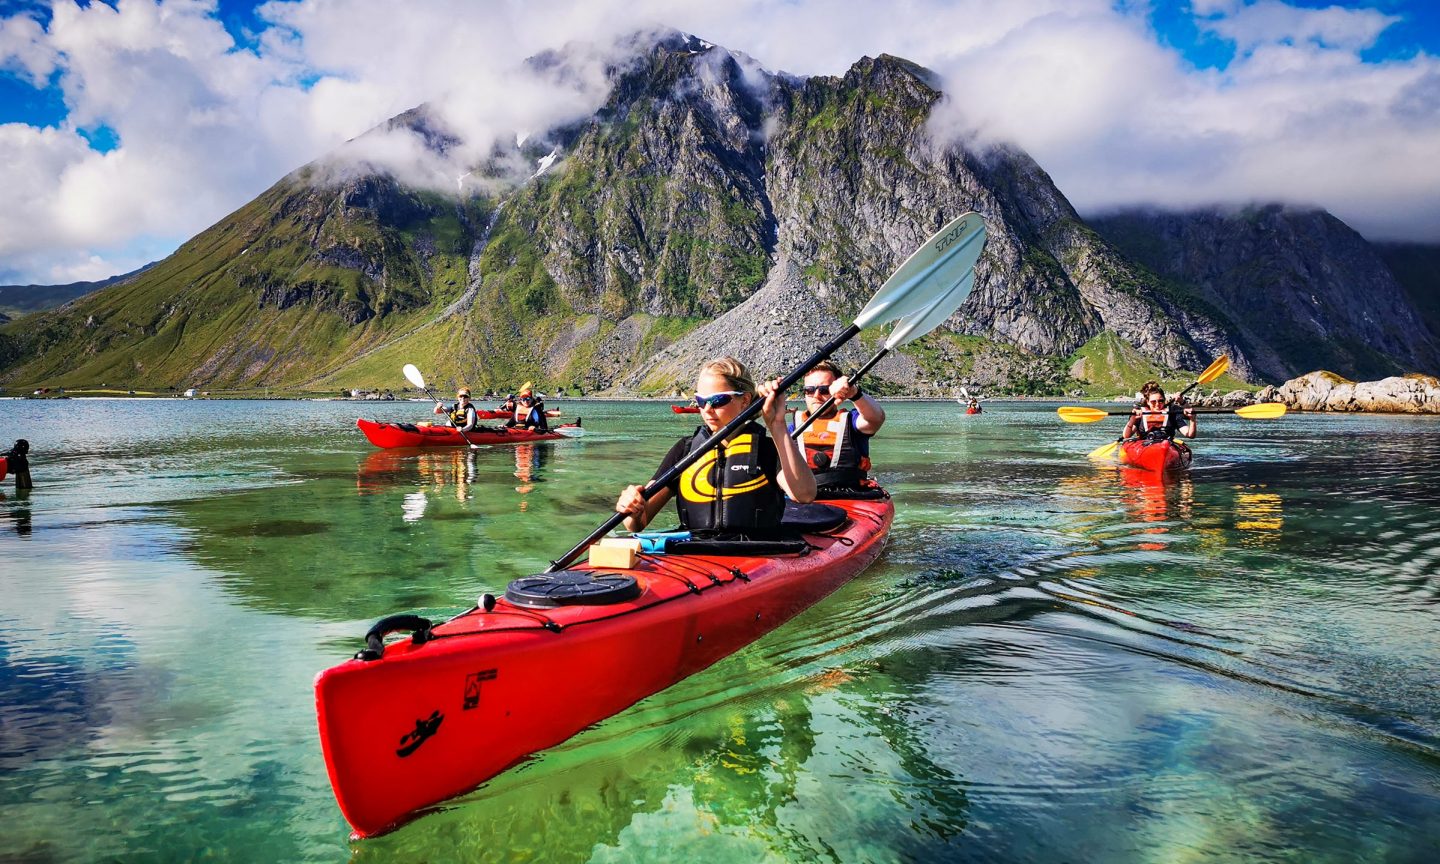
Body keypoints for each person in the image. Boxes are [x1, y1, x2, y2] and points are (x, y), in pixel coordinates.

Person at [615, 357, 816, 538]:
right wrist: (631, 507)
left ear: (745, 400)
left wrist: (777, 424)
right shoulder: (685, 450)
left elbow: (804, 495)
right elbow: (637, 524)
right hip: (696, 553)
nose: (707, 410)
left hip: (756, 554)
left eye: (717, 400)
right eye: (701, 401)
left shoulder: (766, 449)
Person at [789, 360, 884, 493]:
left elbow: (875, 419)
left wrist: (854, 393)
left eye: (824, 390)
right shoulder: (793, 429)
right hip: (805, 496)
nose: (816, 395)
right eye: (809, 390)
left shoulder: (852, 422)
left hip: (850, 495)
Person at [1123, 384, 1196, 443]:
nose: (1157, 404)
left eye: (1160, 401)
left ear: (1164, 400)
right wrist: (1132, 419)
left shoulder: (1172, 412)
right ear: (1148, 402)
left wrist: (1192, 420)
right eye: (1153, 402)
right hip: (1144, 445)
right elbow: (1126, 435)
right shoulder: (1140, 412)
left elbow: (1190, 435)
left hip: (1166, 445)